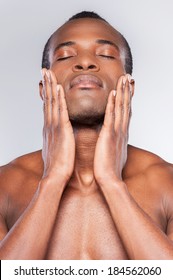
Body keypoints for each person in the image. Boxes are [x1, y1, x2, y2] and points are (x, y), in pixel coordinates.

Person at [0, 11, 173, 260]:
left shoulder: (167, 182)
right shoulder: (5, 184)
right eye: (65, 56)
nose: (85, 63)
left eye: (105, 54)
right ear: (43, 88)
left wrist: (112, 183)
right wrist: (53, 180)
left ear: (129, 86)